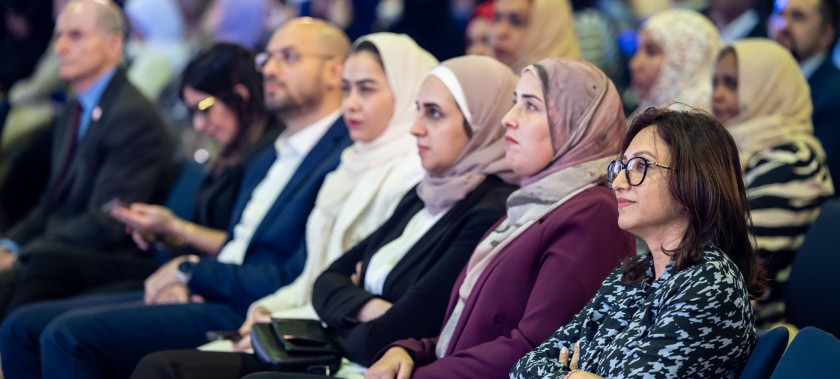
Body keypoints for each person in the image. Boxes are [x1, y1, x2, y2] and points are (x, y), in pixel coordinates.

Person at [0, 17, 353, 379]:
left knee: (67, 334)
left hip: (247, 304)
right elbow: (237, 244)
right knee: (22, 325)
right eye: (267, 59)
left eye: (289, 57)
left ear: (335, 70)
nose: (271, 70)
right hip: (216, 285)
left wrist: (192, 271)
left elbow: (287, 272)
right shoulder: (275, 152)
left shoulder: (341, 157)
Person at [130, 52, 519, 379]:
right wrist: (362, 305)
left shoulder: (486, 210)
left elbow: (393, 330)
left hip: (353, 356)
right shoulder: (424, 191)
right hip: (318, 333)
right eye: (417, 111)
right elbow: (323, 280)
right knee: (161, 366)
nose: (416, 128)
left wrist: (341, 309)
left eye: (434, 114)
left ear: (482, 122)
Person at [366, 57, 635, 379]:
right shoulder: (534, 203)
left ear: (576, 122)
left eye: (531, 106)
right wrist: (410, 350)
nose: (509, 119)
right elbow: (473, 331)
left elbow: (536, 349)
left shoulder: (591, 214)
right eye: (513, 103)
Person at [510, 107, 765, 378]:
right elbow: (526, 367)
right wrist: (575, 376)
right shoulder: (631, 276)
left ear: (693, 179)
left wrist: (576, 370)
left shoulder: (711, 282)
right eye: (621, 167)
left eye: (640, 166)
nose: (618, 182)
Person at [0, 0, 175, 318]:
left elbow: (109, 220)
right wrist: (9, 245)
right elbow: (50, 202)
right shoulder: (74, 108)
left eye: (76, 35)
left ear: (114, 43)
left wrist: (24, 254)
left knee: (33, 269)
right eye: (58, 36)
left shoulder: (131, 115)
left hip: (114, 256)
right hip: (61, 246)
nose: (61, 48)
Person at [111, 42, 281, 262]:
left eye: (204, 108)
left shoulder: (272, 155)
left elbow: (245, 247)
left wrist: (177, 227)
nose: (199, 125)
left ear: (241, 95)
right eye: (192, 113)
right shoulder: (230, 154)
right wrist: (169, 235)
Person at [711, 39, 834, 326]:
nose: (716, 94)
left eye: (731, 83)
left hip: (751, 325)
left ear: (771, 88)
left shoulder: (794, 161)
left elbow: (744, 267)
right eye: (714, 82)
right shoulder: (734, 149)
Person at [768, 0, 840, 193]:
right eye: (779, 14)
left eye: (798, 16)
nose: (783, 26)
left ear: (827, 35)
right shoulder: (763, 81)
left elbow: (818, 178)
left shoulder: (834, 97)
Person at [628, 9, 721, 118]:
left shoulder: (691, 120)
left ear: (686, 61)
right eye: (637, 50)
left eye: (651, 52)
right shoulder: (649, 109)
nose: (634, 65)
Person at [492, 0, 580, 72]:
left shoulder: (572, 90)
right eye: (497, 18)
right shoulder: (494, 83)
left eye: (516, 22)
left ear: (548, 31)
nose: (499, 31)